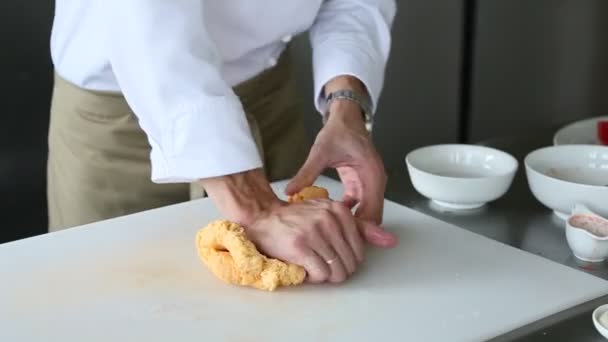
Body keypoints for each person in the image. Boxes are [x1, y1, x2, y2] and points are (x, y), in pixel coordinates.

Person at [48, 0, 398, 283]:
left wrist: (347, 105)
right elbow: (143, 19)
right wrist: (256, 208)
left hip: (268, 95)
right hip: (123, 119)